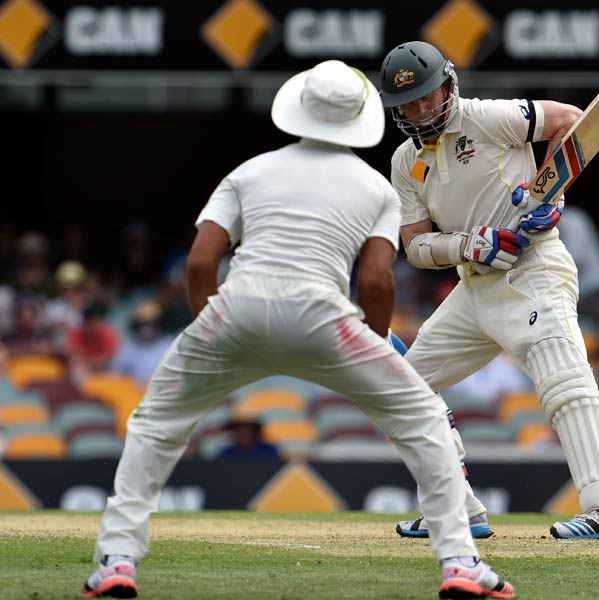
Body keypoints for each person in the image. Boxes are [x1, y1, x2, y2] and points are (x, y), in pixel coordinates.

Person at [82, 60, 514, 600]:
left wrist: (210, 330)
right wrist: (375, 343)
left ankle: (118, 560)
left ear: (299, 111)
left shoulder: (248, 172)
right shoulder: (373, 186)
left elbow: (199, 264)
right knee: (424, 419)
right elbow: (377, 280)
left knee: (155, 425)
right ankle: (460, 563)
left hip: (234, 312)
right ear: (360, 119)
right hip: (325, 321)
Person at [380, 41, 599, 540]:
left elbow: (571, 119)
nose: (420, 108)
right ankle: (456, 508)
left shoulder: (488, 117)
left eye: (427, 94)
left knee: (564, 380)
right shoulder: (404, 162)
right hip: (474, 288)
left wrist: (552, 193)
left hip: (533, 266)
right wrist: (469, 245)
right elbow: (415, 246)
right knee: (400, 390)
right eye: (408, 103)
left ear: (448, 84)